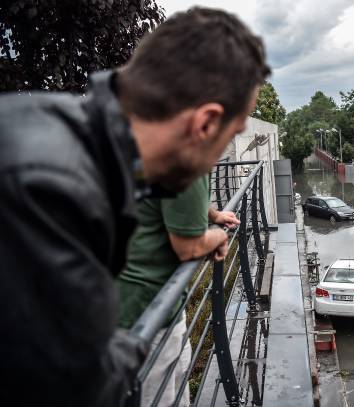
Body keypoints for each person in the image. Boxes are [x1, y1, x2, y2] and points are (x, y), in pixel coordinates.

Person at [0, 7, 269, 407]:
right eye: (234, 131)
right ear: (206, 124)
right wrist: (144, 338)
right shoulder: (52, 191)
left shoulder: (64, 135)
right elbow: (79, 383)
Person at [117, 175, 240, 406]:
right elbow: (190, 246)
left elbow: (177, 198)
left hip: (142, 307)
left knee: (177, 382)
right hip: (148, 313)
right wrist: (219, 235)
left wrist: (214, 215)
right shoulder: (188, 154)